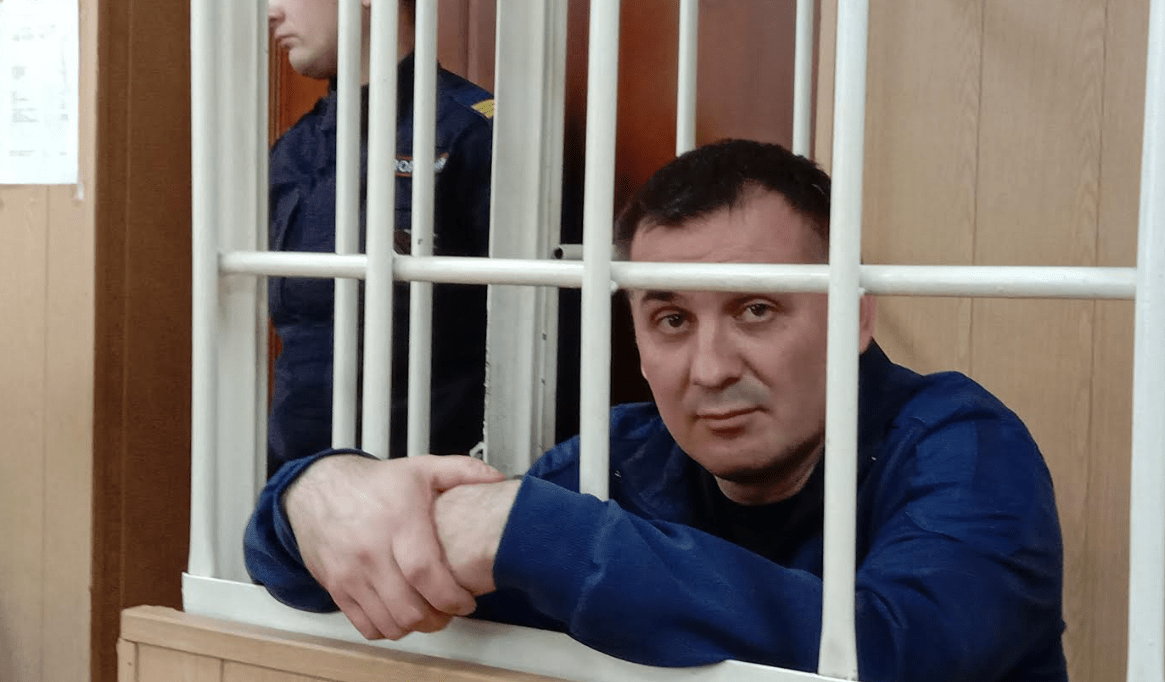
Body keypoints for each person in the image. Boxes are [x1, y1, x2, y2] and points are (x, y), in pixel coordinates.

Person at [245, 140, 1068, 681]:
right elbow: (331, 582)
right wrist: (311, 496)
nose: (709, 370)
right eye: (671, 319)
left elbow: (895, 656)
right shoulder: (622, 457)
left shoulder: (959, 445)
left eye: (756, 310)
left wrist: (537, 535)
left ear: (853, 318)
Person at [266, 0, 494, 476]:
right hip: (297, 482)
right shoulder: (294, 150)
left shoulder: (473, 134)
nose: (271, 11)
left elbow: (542, 341)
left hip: (428, 482)